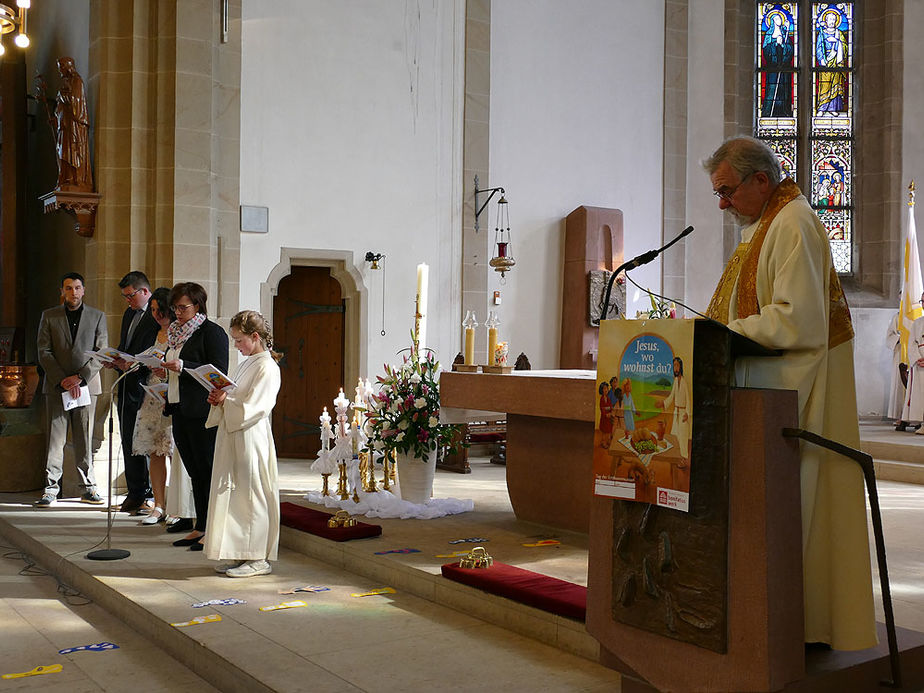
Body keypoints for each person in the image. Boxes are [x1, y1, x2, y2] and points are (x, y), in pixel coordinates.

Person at [703, 136, 876, 650]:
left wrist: (727, 334)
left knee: (800, 508)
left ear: (762, 179)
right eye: (717, 193)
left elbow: (798, 319)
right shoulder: (765, 225)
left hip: (795, 395)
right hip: (767, 386)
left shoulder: (793, 221)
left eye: (727, 191)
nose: (722, 204)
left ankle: (796, 625)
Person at [203, 310, 282, 577]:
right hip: (234, 433)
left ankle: (258, 557)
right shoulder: (248, 362)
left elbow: (257, 407)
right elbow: (236, 394)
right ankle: (240, 553)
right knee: (236, 494)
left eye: (239, 340)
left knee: (252, 494)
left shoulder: (267, 366)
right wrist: (220, 398)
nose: (236, 345)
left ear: (255, 336)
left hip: (251, 436)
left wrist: (228, 402)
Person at [163, 282, 229, 552]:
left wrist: (184, 366)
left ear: (197, 305)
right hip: (180, 409)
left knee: (207, 470)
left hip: (202, 411)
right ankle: (200, 526)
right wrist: (164, 370)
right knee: (194, 472)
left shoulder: (211, 333)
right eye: (175, 307)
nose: (177, 312)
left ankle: (212, 529)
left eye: (182, 307)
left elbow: (218, 372)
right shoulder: (175, 333)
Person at [34, 273, 108, 507]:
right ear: (62, 291)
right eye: (68, 288)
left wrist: (80, 378)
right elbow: (43, 351)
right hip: (57, 387)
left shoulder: (97, 316)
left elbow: (102, 351)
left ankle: (88, 488)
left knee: (84, 438)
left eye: (77, 288)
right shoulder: (49, 316)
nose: (73, 292)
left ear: (83, 290)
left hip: (86, 386)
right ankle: (50, 489)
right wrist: (63, 379)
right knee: (55, 440)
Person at [109, 271, 158, 514]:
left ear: (145, 292)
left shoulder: (156, 315)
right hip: (126, 384)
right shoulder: (129, 313)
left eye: (130, 296)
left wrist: (134, 363)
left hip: (145, 386)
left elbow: (156, 351)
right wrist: (115, 359)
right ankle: (134, 491)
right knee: (128, 440)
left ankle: (146, 493)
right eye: (124, 296)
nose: (127, 301)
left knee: (143, 442)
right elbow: (125, 346)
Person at [131, 288, 173, 525]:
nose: (157, 314)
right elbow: (140, 358)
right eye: (154, 310)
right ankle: (158, 505)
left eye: (161, 310)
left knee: (173, 452)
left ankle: (177, 506)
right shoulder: (152, 332)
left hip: (171, 397)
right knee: (156, 453)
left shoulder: (181, 334)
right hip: (151, 398)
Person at [53, 57, 93, 191]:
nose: (60, 71)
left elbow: (75, 103)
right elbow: (60, 108)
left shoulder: (77, 81)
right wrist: (56, 118)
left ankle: (77, 179)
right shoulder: (66, 83)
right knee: (63, 152)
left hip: (74, 126)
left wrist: (62, 95)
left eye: (61, 67)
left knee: (73, 151)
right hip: (64, 126)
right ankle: (66, 178)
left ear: (68, 66)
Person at [760, 9, 794, 118]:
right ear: (772, 20)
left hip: (784, 68)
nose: (779, 20)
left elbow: (790, 49)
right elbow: (765, 50)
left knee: (783, 90)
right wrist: (775, 44)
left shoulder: (785, 33)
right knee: (772, 89)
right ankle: (769, 111)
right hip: (773, 68)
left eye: (780, 18)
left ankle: (784, 111)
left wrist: (783, 45)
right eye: (777, 18)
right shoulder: (769, 34)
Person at [815, 9, 847, 114]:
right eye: (830, 19)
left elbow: (845, 47)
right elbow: (818, 47)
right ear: (826, 21)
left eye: (834, 19)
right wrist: (822, 59)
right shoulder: (822, 33)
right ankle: (822, 108)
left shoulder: (839, 34)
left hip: (836, 60)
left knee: (836, 83)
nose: (832, 21)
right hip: (825, 60)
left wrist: (837, 42)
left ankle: (833, 108)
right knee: (825, 85)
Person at [658, 357, 690, 461]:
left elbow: (688, 399)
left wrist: (687, 413)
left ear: (680, 366)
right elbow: (672, 396)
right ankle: (676, 458)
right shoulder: (676, 381)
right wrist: (663, 402)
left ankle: (684, 459)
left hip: (683, 412)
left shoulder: (684, 382)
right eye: (674, 365)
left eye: (677, 365)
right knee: (675, 434)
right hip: (676, 412)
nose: (675, 368)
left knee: (683, 436)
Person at [901, 295, 924, 434]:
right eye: (922, 301)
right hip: (920, 364)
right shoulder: (917, 323)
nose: (923, 304)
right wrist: (918, 358)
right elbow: (911, 344)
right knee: (921, 394)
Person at [884, 309, 907, 426]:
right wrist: (900, 337)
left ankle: (915, 417)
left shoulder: (918, 315)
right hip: (900, 353)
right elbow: (889, 336)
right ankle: (901, 416)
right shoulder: (897, 317)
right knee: (900, 384)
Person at [598, 382, 614, 448]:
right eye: (604, 388)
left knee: (609, 430)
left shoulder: (608, 398)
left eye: (607, 388)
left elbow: (610, 406)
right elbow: (602, 408)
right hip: (604, 418)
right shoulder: (602, 399)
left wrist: (611, 412)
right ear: (601, 390)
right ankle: (603, 442)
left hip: (609, 418)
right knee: (604, 431)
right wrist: (606, 414)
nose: (606, 390)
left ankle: (608, 441)